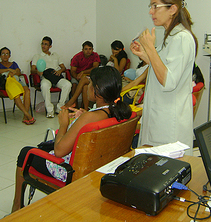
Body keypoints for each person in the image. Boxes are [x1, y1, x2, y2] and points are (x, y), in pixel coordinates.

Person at [11, 66, 132, 212]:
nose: (87, 87)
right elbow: (94, 119)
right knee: (42, 147)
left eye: (90, 84)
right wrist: (84, 116)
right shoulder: (119, 111)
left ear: (97, 91)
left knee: (26, 153)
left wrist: (63, 124)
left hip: (68, 170)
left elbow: (59, 151)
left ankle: (16, 207)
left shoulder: (89, 118)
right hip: (100, 165)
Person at [130, 0, 198, 155]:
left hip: (169, 123)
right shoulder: (171, 36)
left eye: (155, 6)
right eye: (150, 7)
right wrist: (145, 54)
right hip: (158, 116)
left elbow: (168, 81)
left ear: (172, 9)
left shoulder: (182, 38)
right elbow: (162, 67)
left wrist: (151, 49)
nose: (150, 12)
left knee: (166, 173)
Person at [31, 36, 72, 117]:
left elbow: (63, 67)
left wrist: (60, 71)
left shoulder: (55, 55)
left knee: (68, 84)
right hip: (45, 76)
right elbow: (32, 70)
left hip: (56, 76)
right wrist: (37, 71)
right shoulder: (37, 56)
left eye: (46, 44)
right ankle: (49, 110)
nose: (43, 46)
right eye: (42, 44)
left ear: (50, 46)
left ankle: (60, 107)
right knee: (45, 85)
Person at [0, 47, 35, 125]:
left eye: (7, 54)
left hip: (17, 80)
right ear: (0, 56)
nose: (5, 56)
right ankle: (27, 115)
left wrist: (14, 73)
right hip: (9, 83)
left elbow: (19, 72)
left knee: (27, 90)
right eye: (3, 54)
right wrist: (8, 70)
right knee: (16, 95)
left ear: (9, 56)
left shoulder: (14, 63)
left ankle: (25, 116)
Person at [69, 41, 100, 108]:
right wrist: (77, 77)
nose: (88, 51)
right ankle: (75, 106)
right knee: (74, 85)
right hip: (77, 76)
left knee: (85, 86)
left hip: (90, 76)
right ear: (82, 50)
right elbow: (73, 71)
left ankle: (81, 106)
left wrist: (83, 72)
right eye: (86, 49)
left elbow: (95, 68)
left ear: (92, 49)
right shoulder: (77, 57)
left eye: (90, 49)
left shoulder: (95, 55)